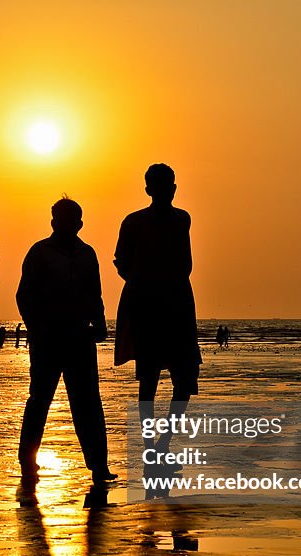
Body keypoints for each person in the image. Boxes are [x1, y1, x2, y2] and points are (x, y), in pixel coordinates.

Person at [16, 197, 117, 485]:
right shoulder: (39, 253)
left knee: (88, 403)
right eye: (61, 220)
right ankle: (27, 462)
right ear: (53, 222)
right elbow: (24, 296)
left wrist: (99, 324)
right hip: (47, 338)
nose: (66, 225)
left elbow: (94, 293)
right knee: (39, 400)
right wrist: (37, 329)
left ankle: (99, 465)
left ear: (80, 223)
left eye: (72, 220)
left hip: (79, 336)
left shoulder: (87, 254)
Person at [114, 164, 201, 457]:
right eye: (160, 185)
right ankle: (151, 444)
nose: (167, 190)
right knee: (149, 379)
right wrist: (143, 284)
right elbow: (122, 262)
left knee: (184, 380)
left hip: (179, 305)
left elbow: (185, 262)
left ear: (174, 188)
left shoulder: (182, 220)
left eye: (170, 185)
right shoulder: (134, 222)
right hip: (149, 307)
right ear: (149, 189)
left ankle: (164, 442)